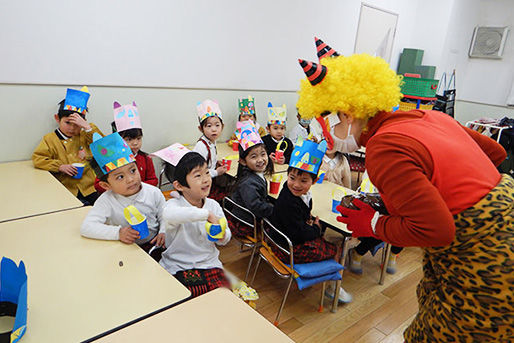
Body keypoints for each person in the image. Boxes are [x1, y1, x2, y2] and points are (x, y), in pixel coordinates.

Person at [296, 37, 512, 341]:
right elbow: (495, 154)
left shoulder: (383, 146)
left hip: (486, 259)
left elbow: (439, 231)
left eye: (324, 120)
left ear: (346, 114)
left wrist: (373, 223)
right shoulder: (429, 115)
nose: (326, 132)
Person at [271, 137, 352, 303]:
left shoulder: (297, 193)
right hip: (288, 248)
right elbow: (299, 233)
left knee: (328, 239)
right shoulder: (289, 200)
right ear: (287, 175)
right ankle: (332, 288)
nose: (296, 185)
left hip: (286, 238)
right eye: (292, 178)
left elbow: (299, 220)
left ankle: (332, 285)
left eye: (303, 180)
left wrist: (311, 226)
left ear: (314, 181)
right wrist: (316, 229)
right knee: (335, 248)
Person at [159, 146, 231, 297]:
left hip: (209, 264)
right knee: (180, 302)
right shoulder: (173, 205)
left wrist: (222, 235)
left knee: (225, 299)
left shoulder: (213, 205)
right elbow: (170, 215)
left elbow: (225, 239)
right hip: (177, 266)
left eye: (206, 172)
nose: (206, 179)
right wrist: (206, 215)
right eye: (197, 176)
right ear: (179, 186)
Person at [81, 132, 166, 258]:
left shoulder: (153, 192)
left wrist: (164, 231)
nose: (131, 179)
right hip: (124, 250)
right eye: (120, 177)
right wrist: (118, 233)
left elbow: (164, 214)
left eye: (133, 170)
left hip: (154, 244)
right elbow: (87, 227)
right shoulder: (106, 200)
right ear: (106, 185)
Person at [32, 86, 103, 205]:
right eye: (67, 122)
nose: (71, 128)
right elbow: (38, 159)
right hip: (66, 189)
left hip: (90, 188)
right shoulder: (50, 139)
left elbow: (104, 147)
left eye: (76, 124)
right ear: (57, 119)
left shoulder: (85, 135)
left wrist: (87, 127)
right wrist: (59, 166)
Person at [94, 101, 157, 194]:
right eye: (129, 139)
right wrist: (119, 187)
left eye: (139, 139)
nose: (135, 143)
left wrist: (137, 186)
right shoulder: (110, 160)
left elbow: (153, 180)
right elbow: (98, 185)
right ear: (117, 140)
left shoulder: (146, 159)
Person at [230, 121, 274, 239]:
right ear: (243, 161)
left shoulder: (255, 174)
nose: (260, 160)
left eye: (263, 154)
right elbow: (256, 207)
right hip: (247, 224)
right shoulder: (248, 182)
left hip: (250, 218)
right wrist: (275, 209)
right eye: (254, 156)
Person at [192, 99, 228, 202]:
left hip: (209, 181)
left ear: (222, 126)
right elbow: (199, 171)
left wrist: (215, 162)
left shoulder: (212, 141)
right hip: (201, 185)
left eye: (217, 125)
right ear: (201, 129)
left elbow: (208, 161)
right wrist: (217, 172)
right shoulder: (201, 146)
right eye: (209, 126)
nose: (214, 129)